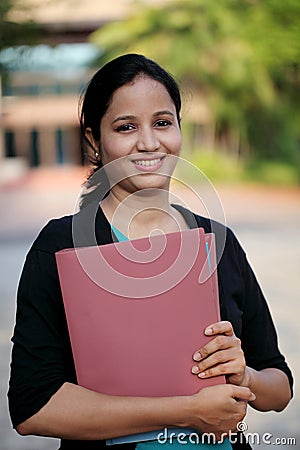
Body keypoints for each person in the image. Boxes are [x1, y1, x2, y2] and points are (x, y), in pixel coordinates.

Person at [8, 54, 293, 450]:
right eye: (126, 127)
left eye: (162, 122)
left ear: (179, 128)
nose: (148, 142)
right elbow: (32, 408)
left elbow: (279, 388)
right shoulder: (60, 248)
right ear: (94, 139)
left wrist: (245, 377)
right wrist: (185, 411)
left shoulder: (217, 241)